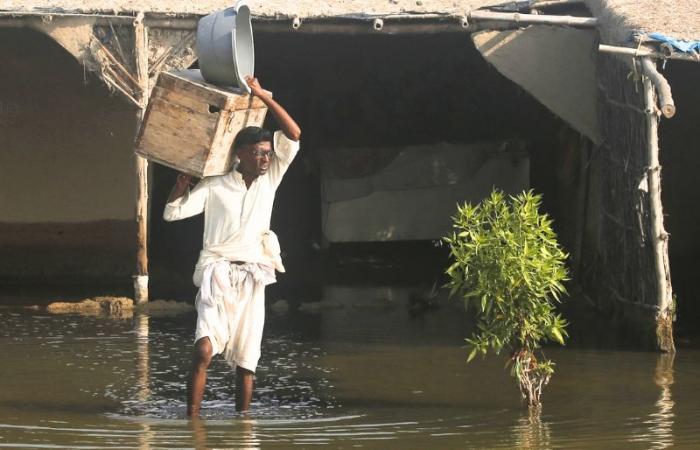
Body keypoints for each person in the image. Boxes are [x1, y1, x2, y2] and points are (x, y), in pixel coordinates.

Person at [163, 76, 301, 417]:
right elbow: (171, 213)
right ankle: (192, 422)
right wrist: (179, 187)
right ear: (240, 155)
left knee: (247, 362)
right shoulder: (215, 185)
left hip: (254, 276)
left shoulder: (271, 178)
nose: (266, 159)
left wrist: (262, 96)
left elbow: (295, 134)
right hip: (217, 273)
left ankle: (244, 427)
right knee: (204, 352)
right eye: (258, 153)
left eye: (268, 153)